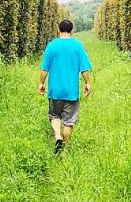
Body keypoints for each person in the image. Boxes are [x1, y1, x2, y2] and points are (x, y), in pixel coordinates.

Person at [39, 19, 92, 153]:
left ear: (58, 30)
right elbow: (84, 69)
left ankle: (57, 135)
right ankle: (64, 149)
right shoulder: (77, 46)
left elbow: (45, 69)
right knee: (69, 121)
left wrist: (41, 83)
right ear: (72, 31)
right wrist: (87, 83)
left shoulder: (52, 46)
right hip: (71, 91)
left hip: (55, 90)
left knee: (55, 115)